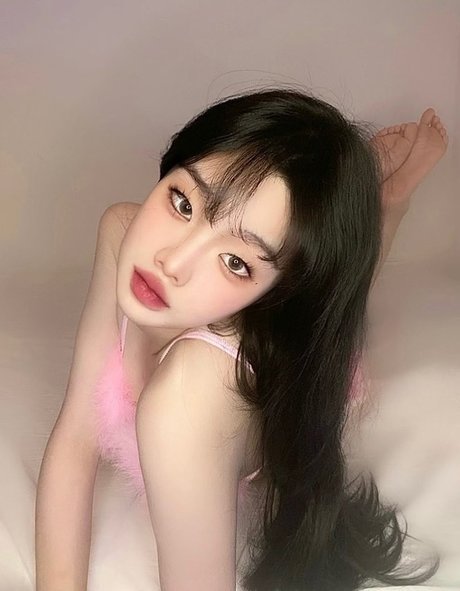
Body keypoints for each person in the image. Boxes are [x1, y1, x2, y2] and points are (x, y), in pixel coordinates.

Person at [35, 87, 448, 591]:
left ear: (277, 293)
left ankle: (384, 202)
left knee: (338, 301)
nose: (172, 262)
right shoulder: (123, 232)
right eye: (182, 202)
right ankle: (360, 197)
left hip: (268, 367)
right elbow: (77, 436)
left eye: (235, 262)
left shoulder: (187, 398)